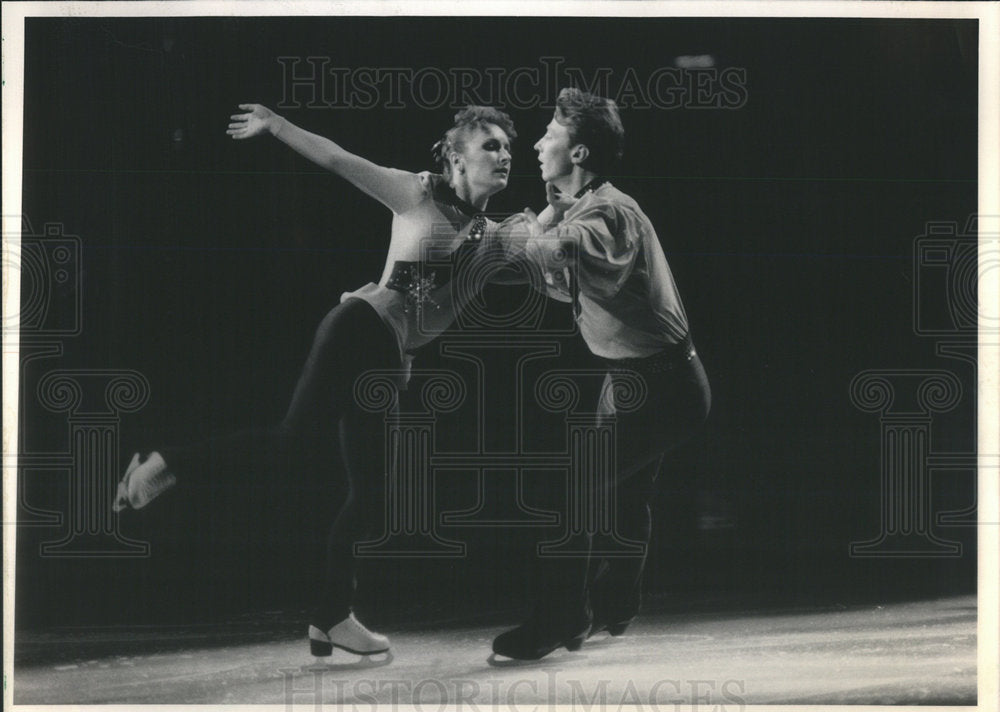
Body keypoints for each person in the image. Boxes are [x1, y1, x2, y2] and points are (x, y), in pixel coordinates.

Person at [114, 102, 517, 658]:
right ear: (455, 156)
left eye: (508, 148)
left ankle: (331, 617)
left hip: (388, 354)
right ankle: (167, 463)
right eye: (490, 145)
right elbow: (337, 158)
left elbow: (540, 254)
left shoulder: (492, 235)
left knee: (370, 493)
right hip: (360, 328)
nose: (503, 156)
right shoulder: (416, 192)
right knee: (292, 444)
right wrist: (276, 124)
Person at [493, 88, 711, 660]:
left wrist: (513, 229)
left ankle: (560, 617)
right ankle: (615, 602)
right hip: (631, 381)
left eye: (549, 135)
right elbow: (550, 268)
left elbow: (554, 253)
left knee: (574, 492)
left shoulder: (607, 213)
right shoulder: (579, 205)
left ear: (581, 153)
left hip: (665, 388)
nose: (538, 145)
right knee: (621, 492)